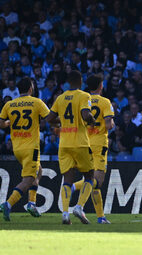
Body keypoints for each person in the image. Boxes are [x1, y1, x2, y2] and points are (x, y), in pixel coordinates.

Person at [46, 70, 96, 224]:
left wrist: (60, 124)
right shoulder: (84, 96)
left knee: (67, 179)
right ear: (80, 81)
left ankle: (65, 213)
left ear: (68, 82)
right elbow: (86, 114)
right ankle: (79, 207)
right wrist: (92, 121)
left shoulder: (60, 98)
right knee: (90, 177)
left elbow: (49, 119)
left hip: (64, 144)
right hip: (80, 143)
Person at [0, 77, 50, 221]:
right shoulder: (36, 102)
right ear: (30, 88)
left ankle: (32, 203)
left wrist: (10, 122)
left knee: (38, 171)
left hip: (17, 148)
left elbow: (1, 124)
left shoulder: (10, 104)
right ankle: (8, 204)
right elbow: (49, 118)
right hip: (31, 148)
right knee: (28, 179)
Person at [71, 74, 114, 224]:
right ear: (101, 86)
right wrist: (111, 124)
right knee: (97, 181)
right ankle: (73, 190)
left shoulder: (83, 100)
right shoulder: (105, 102)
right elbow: (109, 124)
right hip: (99, 144)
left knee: (92, 182)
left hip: (84, 143)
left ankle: (100, 217)